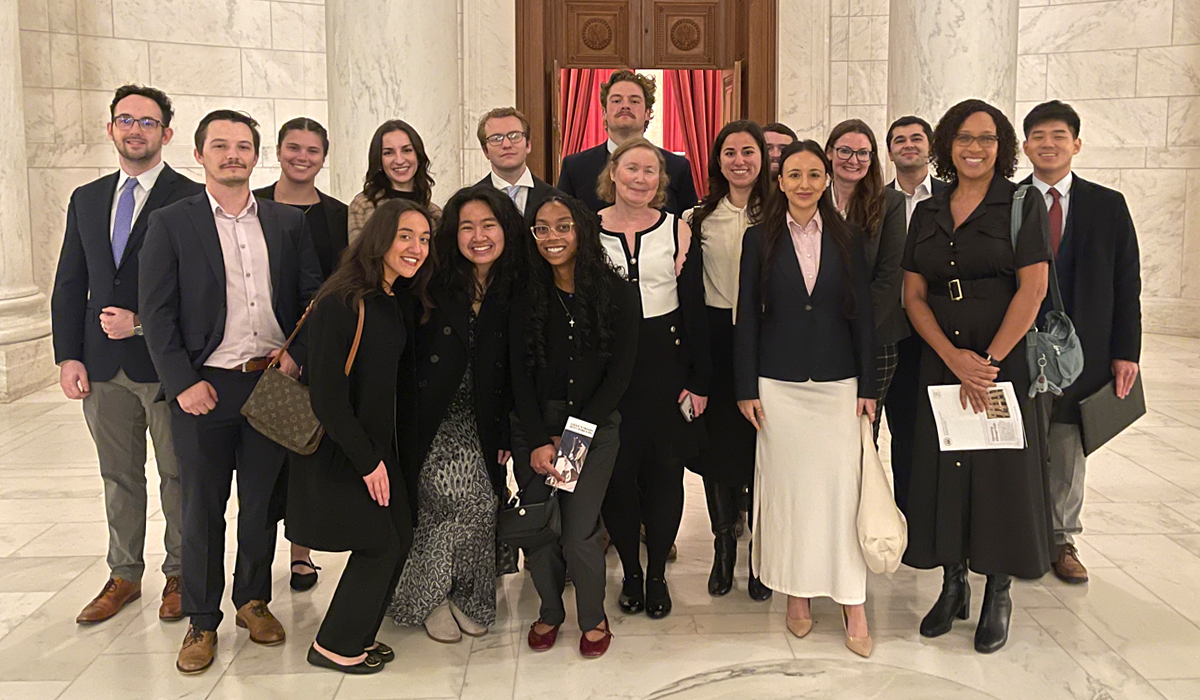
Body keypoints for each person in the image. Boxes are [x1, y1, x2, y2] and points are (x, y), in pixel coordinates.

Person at [139, 109, 323, 674]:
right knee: (202, 509)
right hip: (205, 388)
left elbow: (315, 296)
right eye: (220, 146)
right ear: (199, 154)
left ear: (255, 154)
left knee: (262, 503)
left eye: (243, 146)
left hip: (270, 382)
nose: (232, 155)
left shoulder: (287, 223)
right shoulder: (172, 222)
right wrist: (182, 383)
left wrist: (298, 353)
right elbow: (157, 312)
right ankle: (201, 619)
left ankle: (252, 601)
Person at [901, 99, 1052, 655]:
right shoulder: (928, 210)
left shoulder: (1020, 203)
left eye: (986, 139)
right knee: (947, 470)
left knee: (998, 472)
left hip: (1001, 364)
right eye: (964, 137)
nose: (974, 148)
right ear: (947, 144)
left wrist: (985, 362)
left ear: (1002, 147)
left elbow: (1032, 290)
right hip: (943, 361)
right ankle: (952, 583)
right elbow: (913, 294)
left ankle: (998, 592)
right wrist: (952, 356)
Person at [52, 84, 202, 626]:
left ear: (166, 132)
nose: (134, 129)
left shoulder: (189, 198)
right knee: (119, 476)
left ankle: (181, 574)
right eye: (125, 119)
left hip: (164, 365)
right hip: (100, 366)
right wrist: (68, 355)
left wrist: (140, 323)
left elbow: (201, 291)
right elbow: (70, 282)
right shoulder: (87, 199)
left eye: (147, 121)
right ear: (110, 128)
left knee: (178, 475)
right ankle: (124, 575)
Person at [734, 140, 879, 658]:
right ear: (779, 181)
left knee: (842, 494)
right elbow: (746, 314)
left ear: (826, 180)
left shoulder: (850, 236)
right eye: (793, 174)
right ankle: (796, 595)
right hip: (779, 385)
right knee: (792, 495)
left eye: (813, 174)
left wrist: (868, 386)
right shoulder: (758, 240)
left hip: (838, 383)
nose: (803, 184)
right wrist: (745, 386)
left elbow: (863, 314)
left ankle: (851, 601)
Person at [287, 198, 434, 674]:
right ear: (380, 238)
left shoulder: (389, 296)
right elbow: (327, 396)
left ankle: (358, 635)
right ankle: (334, 645)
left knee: (399, 536)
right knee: (380, 543)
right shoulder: (343, 300)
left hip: (377, 447)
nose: (417, 247)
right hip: (347, 449)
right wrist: (368, 461)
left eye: (425, 239)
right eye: (406, 236)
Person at [389, 186, 523, 641]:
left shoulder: (518, 284)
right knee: (447, 496)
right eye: (467, 226)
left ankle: (469, 593)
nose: (478, 236)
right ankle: (427, 597)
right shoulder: (433, 277)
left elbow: (520, 368)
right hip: (432, 411)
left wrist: (507, 428)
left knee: (483, 502)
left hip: (484, 414)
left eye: (489, 225)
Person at [510, 195, 639, 658]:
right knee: (539, 528)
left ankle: (592, 617)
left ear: (582, 231)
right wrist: (536, 438)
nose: (552, 238)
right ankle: (549, 611)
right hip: (533, 427)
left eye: (562, 226)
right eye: (541, 229)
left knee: (578, 531)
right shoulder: (523, 294)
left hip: (592, 428)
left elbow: (620, 375)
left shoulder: (618, 292)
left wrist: (571, 438)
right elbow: (516, 375)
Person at [1020, 100, 1142, 585]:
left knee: (1068, 445)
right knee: (1019, 441)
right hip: (1020, 346)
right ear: (1025, 145)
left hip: (1085, 348)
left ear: (1076, 144)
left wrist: (1125, 351)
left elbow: (1126, 281)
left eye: (1058, 136)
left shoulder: (1106, 205)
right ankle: (1017, 534)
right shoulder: (1007, 200)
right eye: (1038, 136)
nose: (1048, 144)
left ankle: (1061, 539)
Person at [597, 137, 710, 620]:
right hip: (609, 369)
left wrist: (699, 380)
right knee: (617, 478)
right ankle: (631, 573)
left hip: (666, 364)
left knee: (665, 472)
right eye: (631, 169)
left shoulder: (678, 229)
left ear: (659, 181)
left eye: (650, 171)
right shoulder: (588, 227)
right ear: (614, 173)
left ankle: (659, 575)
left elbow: (695, 309)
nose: (640, 178)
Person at [254, 117, 348, 592]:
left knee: (304, 450)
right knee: (261, 459)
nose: (302, 157)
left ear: (323, 158)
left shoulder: (337, 214)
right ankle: (254, 561)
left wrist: (305, 349)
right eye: (294, 148)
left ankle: (301, 555)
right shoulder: (254, 205)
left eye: (313, 150)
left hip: (313, 347)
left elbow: (338, 287)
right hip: (257, 348)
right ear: (278, 150)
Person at [684, 120, 773, 601]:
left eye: (749, 151)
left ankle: (762, 554)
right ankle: (723, 549)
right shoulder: (700, 218)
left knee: (764, 450)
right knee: (720, 451)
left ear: (763, 159)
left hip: (769, 341)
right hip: (717, 338)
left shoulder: (781, 213)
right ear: (717, 161)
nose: (740, 161)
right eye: (730, 152)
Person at [825, 120, 907, 438]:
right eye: (845, 150)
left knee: (861, 429)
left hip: (875, 336)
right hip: (820, 336)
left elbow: (890, 276)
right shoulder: (813, 199)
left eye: (863, 153)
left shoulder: (890, 203)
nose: (853, 159)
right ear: (830, 152)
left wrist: (851, 327)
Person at [882, 115, 946, 513]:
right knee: (901, 431)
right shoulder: (876, 200)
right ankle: (904, 515)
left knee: (937, 430)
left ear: (930, 147)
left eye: (916, 138)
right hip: (890, 331)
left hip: (940, 331)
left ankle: (936, 515)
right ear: (889, 152)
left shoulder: (951, 198)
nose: (908, 145)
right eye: (899, 140)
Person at [556, 70, 698, 216]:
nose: (625, 106)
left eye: (634, 101)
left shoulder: (677, 168)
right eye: (617, 101)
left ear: (648, 113)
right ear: (604, 113)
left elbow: (687, 225)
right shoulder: (575, 167)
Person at [348, 120, 440, 242]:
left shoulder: (434, 213)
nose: (399, 160)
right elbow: (358, 257)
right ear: (379, 160)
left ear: (418, 156)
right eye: (388, 153)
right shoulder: (363, 205)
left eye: (406, 150)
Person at [474, 107, 562, 216]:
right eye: (496, 138)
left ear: (528, 145)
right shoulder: (471, 201)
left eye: (515, 136)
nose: (507, 145)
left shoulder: (557, 200)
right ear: (485, 151)